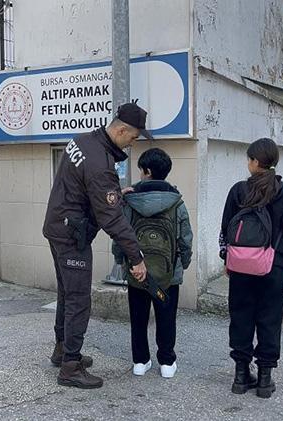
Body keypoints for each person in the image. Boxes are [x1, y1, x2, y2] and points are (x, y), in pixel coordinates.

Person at [43, 102, 152, 389]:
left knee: (67, 294)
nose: (132, 143)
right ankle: (70, 367)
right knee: (79, 299)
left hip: (57, 226)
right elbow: (111, 218)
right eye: (133, 137)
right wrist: (136, 256)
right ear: (121, 130)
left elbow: (90, 188)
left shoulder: (84, 140)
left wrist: (113, 193)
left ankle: (62, 349)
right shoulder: (100, 164)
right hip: (72, 236)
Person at [219, 137, 283, 399]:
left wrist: (227, 258)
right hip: (276, 265)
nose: (248, 163)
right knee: (270, 318)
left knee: (241, 315)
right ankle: (265, 379)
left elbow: (226, 228)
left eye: (249, 159)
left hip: (241, 264)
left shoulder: (238, 191)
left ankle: (241, 375)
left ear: (255, 161)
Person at [112, 147, 193, 379]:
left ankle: (140, 362)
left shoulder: (130, 201)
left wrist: (120, 260)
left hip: (137, 272)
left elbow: (121, 236)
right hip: (169, 273)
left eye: (141, 170)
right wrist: (183, 264)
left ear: (147, 171)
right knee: (166, 317)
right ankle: (167, 363)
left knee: (138, 318)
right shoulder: (176, 202)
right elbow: (185, 239)